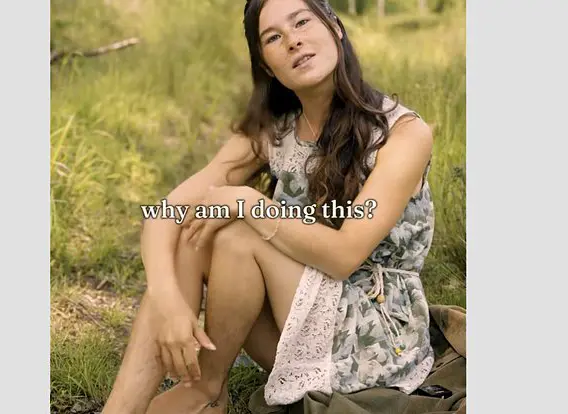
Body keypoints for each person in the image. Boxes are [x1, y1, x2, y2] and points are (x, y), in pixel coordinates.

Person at [101, 0, 435, 413]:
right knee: (194, 227)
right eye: (274, 37)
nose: (293, 41)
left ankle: (206, 388)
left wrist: (249, 203)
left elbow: (345, 256)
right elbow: (166, 212)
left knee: (238, 234)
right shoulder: (276, 131)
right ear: (267, 65)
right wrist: (168, 300)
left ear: (335, 27)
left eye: (302, 22)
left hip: (371, 336)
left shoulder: (402, 133)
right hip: (295, 321)